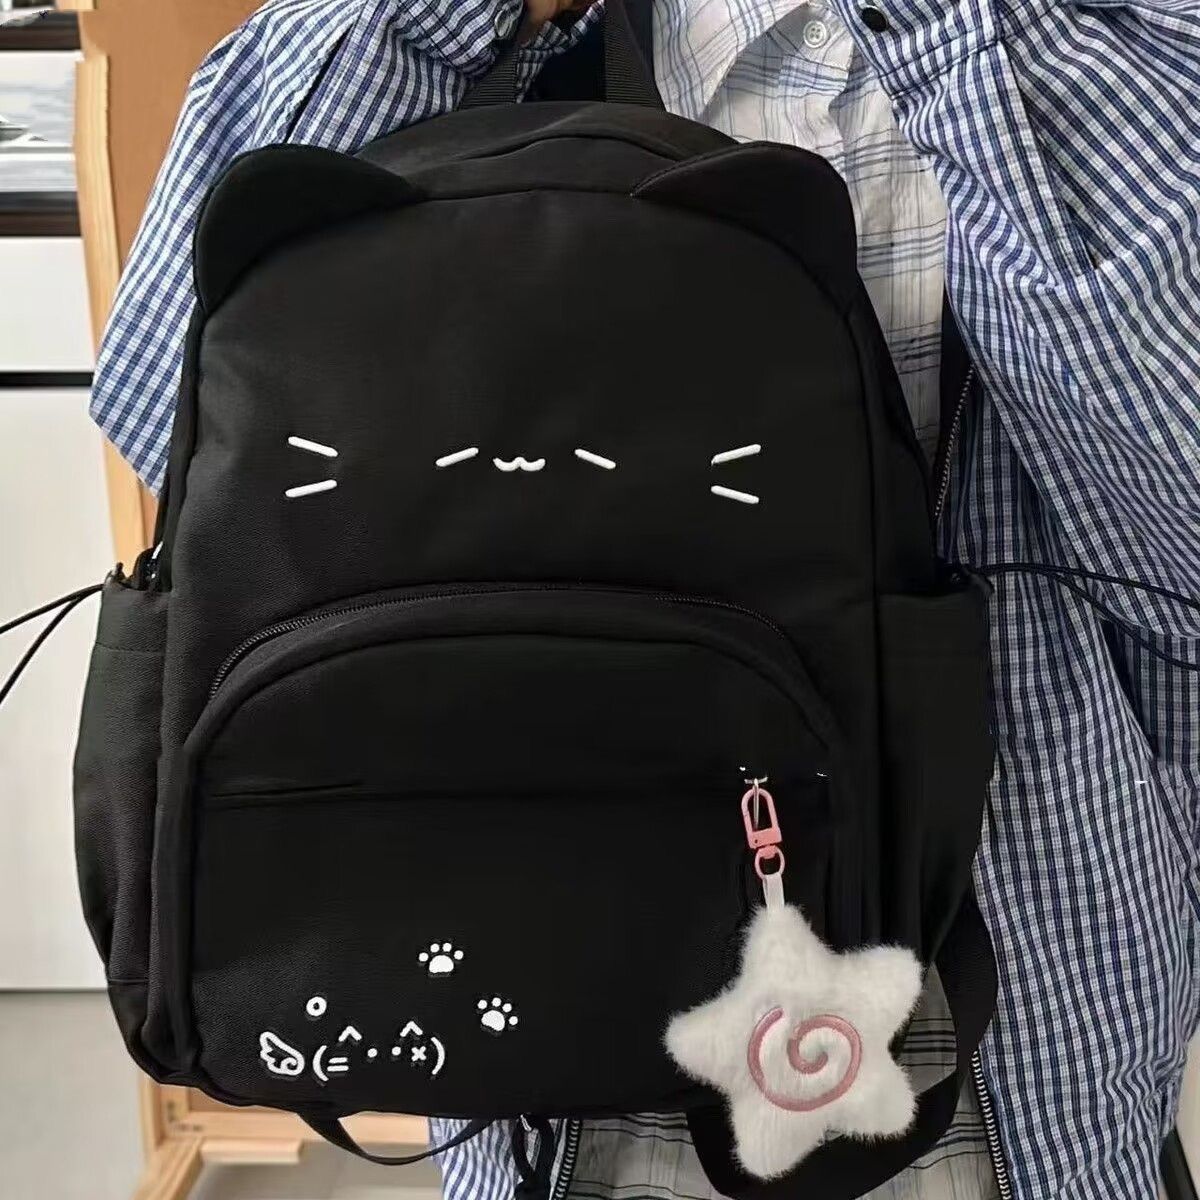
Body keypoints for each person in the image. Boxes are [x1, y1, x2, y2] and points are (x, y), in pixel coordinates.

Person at [91, 2, 1200, 1197]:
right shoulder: (491, 39)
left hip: (1004, 1076)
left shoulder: (1119, 40)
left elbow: (1178, 548)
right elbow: (173, 421)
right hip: (529, 1073)